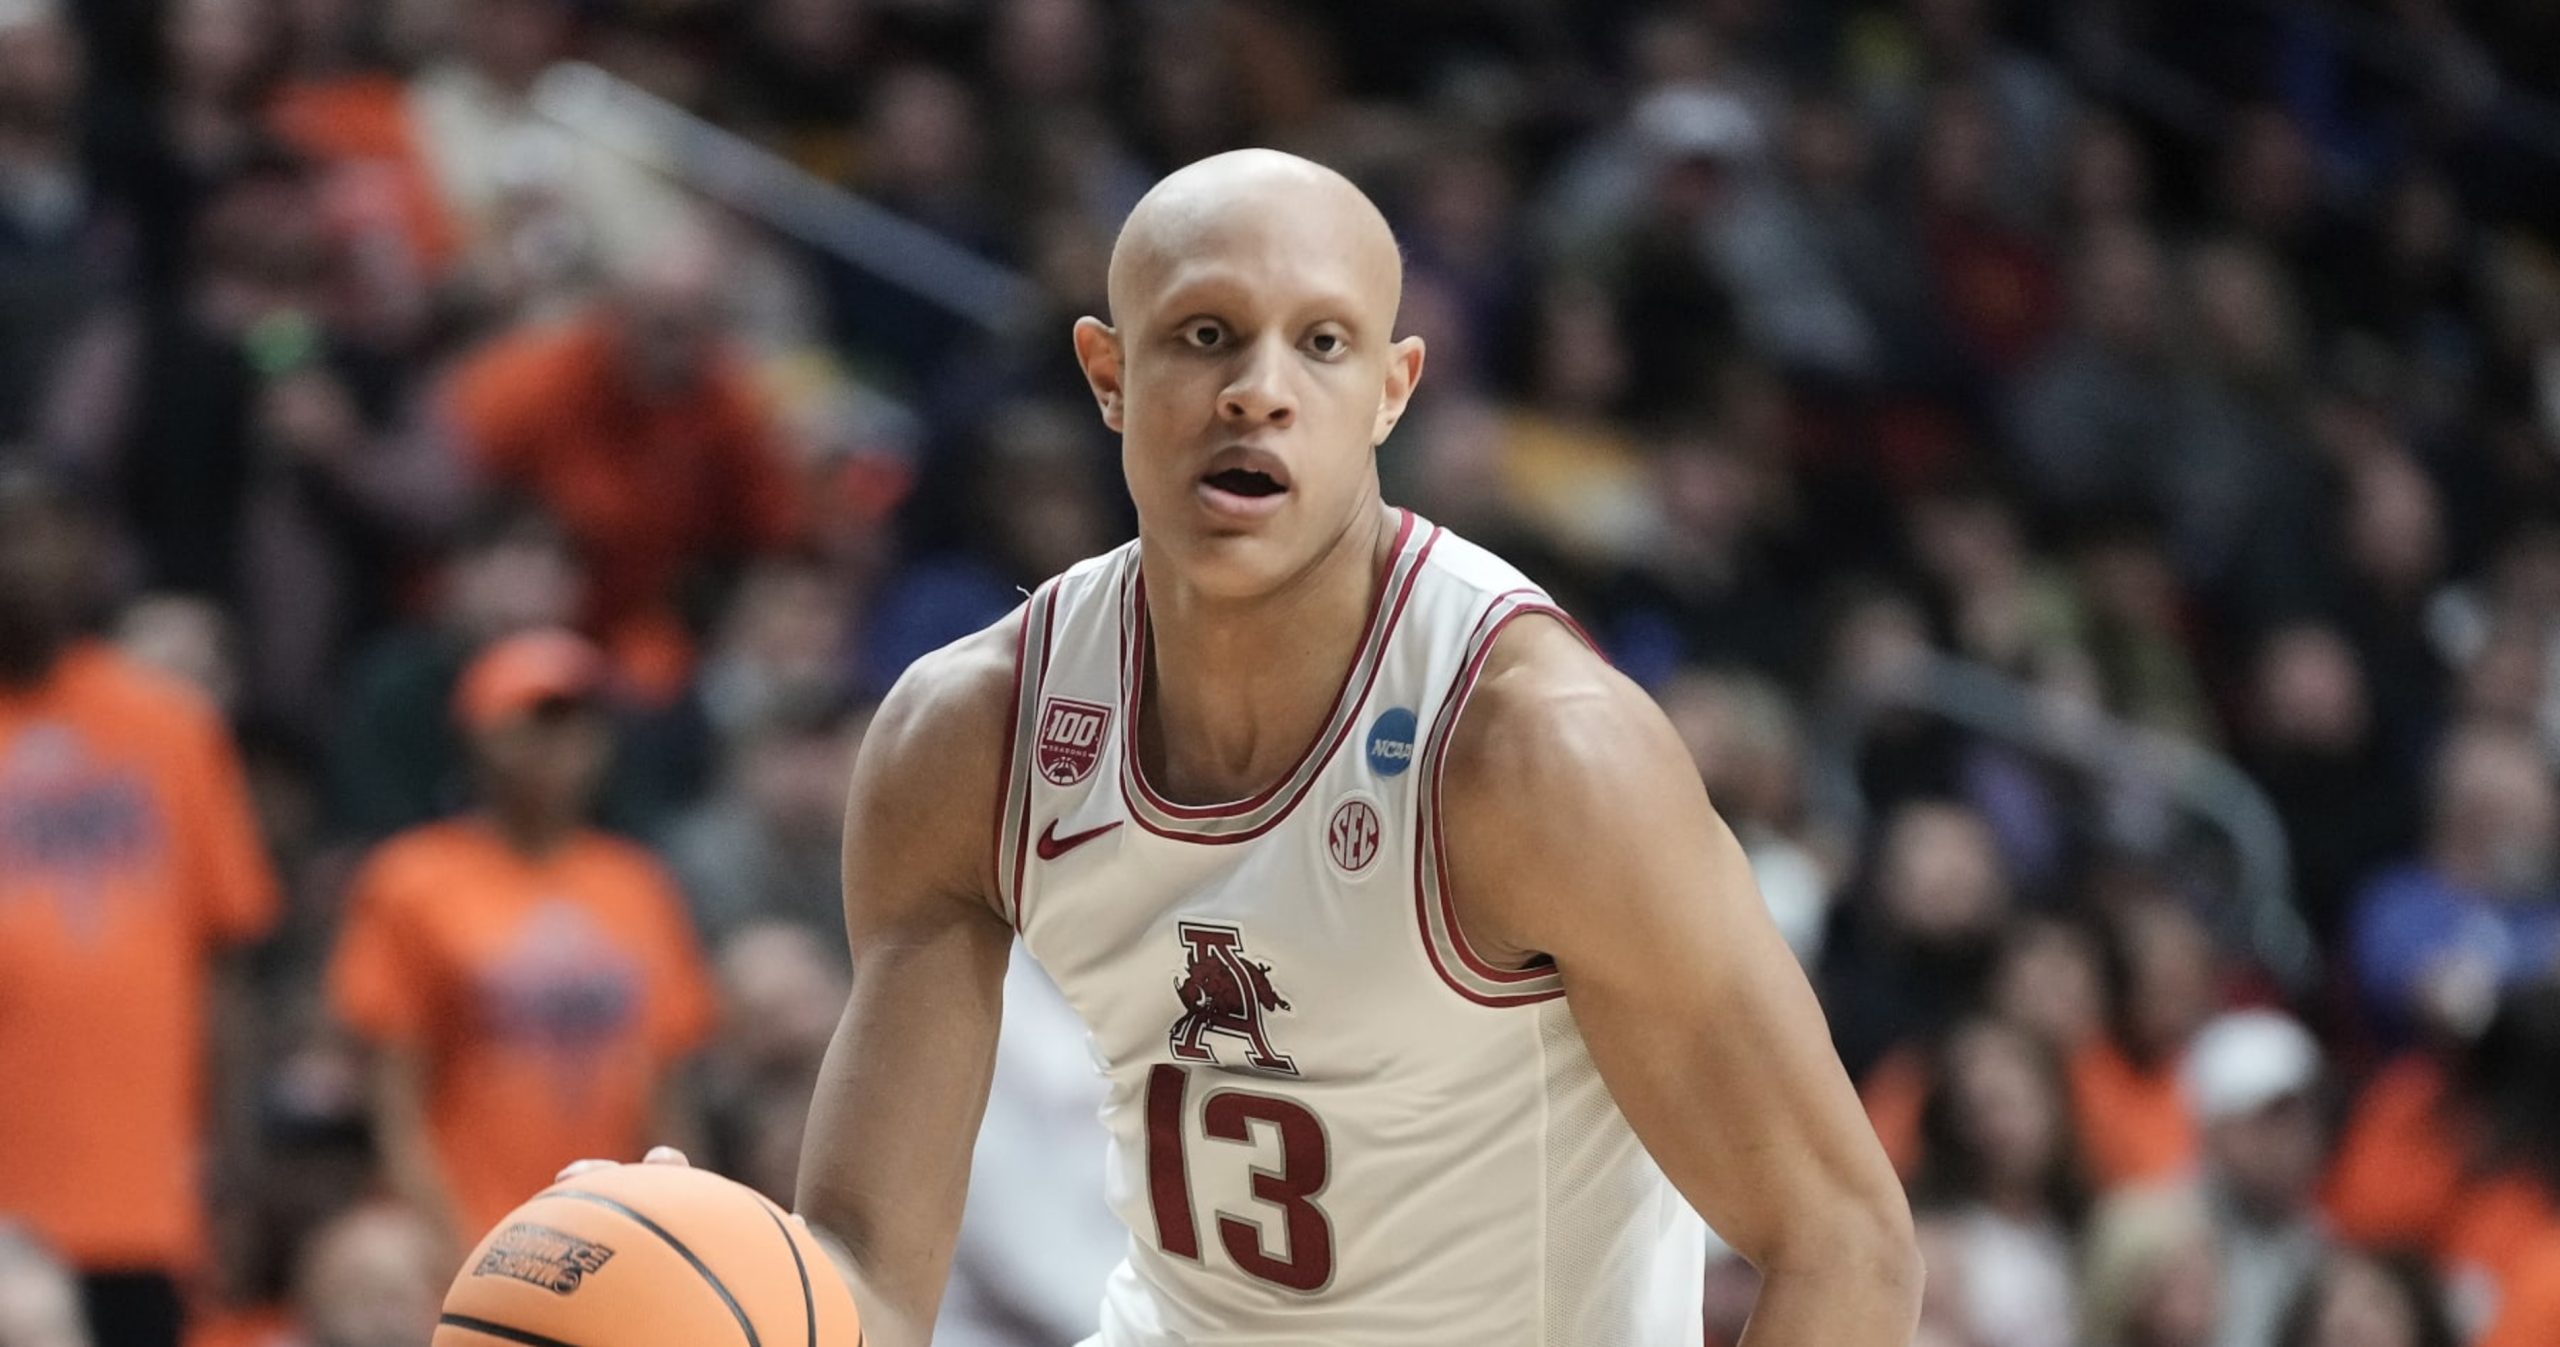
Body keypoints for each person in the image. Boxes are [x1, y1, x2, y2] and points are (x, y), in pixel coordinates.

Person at [578, 149, 1920, 1345]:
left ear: (1394, 390)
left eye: (1322, 345)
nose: (1257, 393)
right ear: (1109, 373)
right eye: (1206, 334)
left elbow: (1843, 1241)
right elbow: (867, 1272)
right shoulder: (970, 736)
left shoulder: (1532, 752)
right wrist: (713, 1298)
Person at [0, 464, 280, 1347]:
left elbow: (224, 958)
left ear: (87, 556)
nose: (19, 558)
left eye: (41, 530)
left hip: (137, 1191)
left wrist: (233, 1153)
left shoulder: (169, 726)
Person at [328, 628, 715, 1258]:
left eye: (583, 721)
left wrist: (684, 1234)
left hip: (616, 1243)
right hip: (470, 1230)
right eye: (540, 718)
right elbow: (392, 1099)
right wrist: (447, 1242)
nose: (564, 741)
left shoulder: (637, 884)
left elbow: (665, 1089)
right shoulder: (412, 879)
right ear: (479, 735)